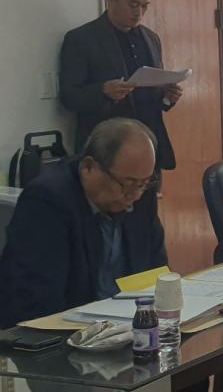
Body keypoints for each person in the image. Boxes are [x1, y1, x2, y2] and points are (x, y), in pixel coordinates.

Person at [0, 118, 167, 327]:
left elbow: (156, 273)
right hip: (66, 331)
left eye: (143, 184)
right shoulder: (47, 201)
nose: (135, 195)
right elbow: (38, 302)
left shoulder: (143, 195)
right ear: (88, 168)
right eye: (127, 184)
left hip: (127, 327)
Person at [59, 0, 182, 172]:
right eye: (133, 5)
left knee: (150, 194)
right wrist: (103, 91)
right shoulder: (81, 39)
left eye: (145, 6)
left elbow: (152, 95)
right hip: (107, 151)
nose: (139, 13)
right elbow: (69, 96)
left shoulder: (151, 38)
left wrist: (167, 97)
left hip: (149, 147)